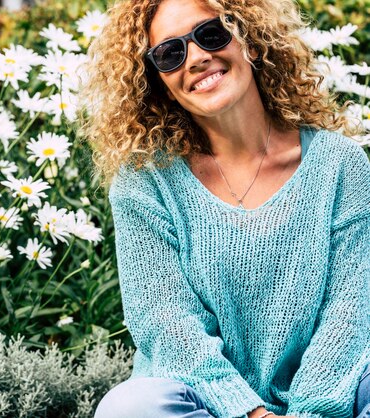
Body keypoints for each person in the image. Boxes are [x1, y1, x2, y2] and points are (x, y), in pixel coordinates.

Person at [78, 0, 370, 416]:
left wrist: (309, 412)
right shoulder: (145, 181)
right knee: (130, 408)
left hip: (330, 393)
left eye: (210, 33)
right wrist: (250, 412)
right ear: (156, 80)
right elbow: (165, 321)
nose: (196, 58)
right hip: (205, 400)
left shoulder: (340, 164)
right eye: (169, 54)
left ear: (250, 37)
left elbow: (349, 311)